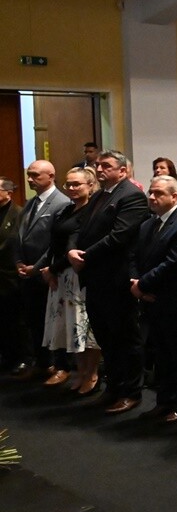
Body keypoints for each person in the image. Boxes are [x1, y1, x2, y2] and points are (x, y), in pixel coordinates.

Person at [69, 150, 150, 414]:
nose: (99, 169)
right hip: (96, 278)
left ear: (123, 171)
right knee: (106, 338)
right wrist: (72, 250)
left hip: (116, 278)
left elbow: (119, 236)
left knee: (125, 338)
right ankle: (113, 388)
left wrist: (86, 256)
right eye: (98, 165)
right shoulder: (101, 195)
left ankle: (131, 391)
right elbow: (79, 227)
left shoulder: (131, 196)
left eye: (106, 165)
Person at [131, 175, 177, 422]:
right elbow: (135, 256)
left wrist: (143, 284)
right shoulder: (148, 224)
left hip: (173, 300)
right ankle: (164, 402)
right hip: (151, 299)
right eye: (151, 192)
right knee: (161, 355)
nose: (152, 197)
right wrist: (135, 281)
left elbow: (173, 263)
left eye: (158, 193)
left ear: (175, 197)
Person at [39, 167, 98, 393]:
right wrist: (49, 269)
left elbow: (77, 247)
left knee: (83, 328)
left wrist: (53, 268)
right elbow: (56, 244)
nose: (72, 188)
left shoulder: (93, 211)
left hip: (78, 275)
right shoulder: (65, 210)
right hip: (60, 275)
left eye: (77, 184)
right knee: (68, 328)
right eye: (69, 184)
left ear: (90, 185)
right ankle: (80, 371)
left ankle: (92, 373)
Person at [13, 160, 71, 379]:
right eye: (29, 175)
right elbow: (20, 236)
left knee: (55, 320)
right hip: (27, 273)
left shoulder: (62, 203)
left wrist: (36, 268)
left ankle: (61, 365)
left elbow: (55, 243)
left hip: (48, 272)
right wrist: (19, 262)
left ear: (51, 176)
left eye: (36, 175)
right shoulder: (31, 202)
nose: (30, 179)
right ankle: (42, 362)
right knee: (34, 320)